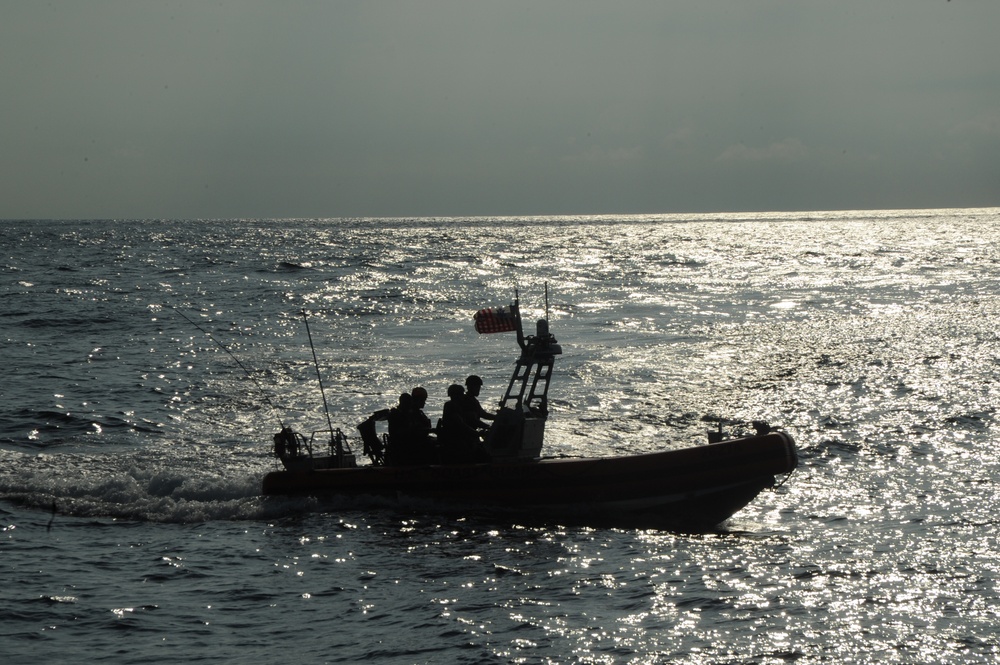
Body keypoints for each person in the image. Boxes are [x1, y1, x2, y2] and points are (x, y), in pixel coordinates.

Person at [440, 383, 489, 463]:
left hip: (458, 437)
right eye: (461, 394)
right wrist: (477, 434)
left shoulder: (457, 406)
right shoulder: (451, 406)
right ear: (456, 395)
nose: (463, 397)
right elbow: (461, 424)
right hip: (454, 440)